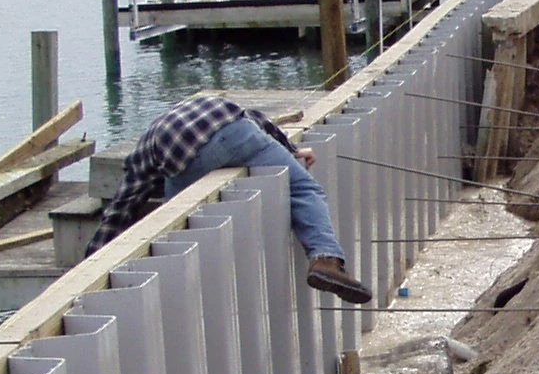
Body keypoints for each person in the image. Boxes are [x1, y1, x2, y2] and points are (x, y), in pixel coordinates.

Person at [87, 94, 373, 303]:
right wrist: (293, 153)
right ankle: (325, 259)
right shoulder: (216, 104)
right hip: (237, 134)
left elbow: (122, 208)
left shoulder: (144, 147)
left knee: (179, 225)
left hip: (184, 159)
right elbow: (263, 125)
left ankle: (179, 288)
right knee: (303, 190)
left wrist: (93, 262)